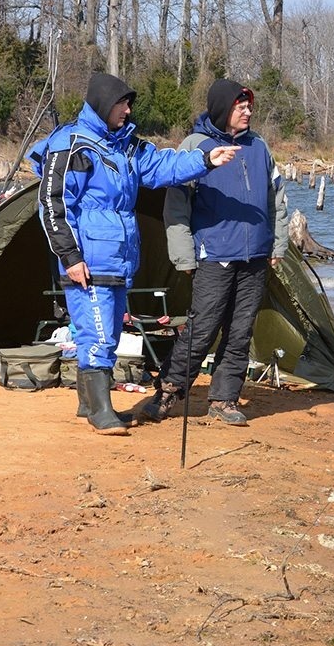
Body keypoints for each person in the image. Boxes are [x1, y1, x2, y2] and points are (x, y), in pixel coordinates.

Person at [34, 72, 240, 436]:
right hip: (88, 260)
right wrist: (70, 257)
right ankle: (102, 413)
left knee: (103, 333)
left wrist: (206, 159)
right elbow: (53, 205)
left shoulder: (126, 147)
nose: (128, 110)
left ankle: (88, 405)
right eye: (122, 104)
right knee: (99, 335)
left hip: (118, 258)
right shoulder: (73, 145)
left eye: (129, 104)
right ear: (103, 104)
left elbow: (163, 167)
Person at [138, 78, 289, 427]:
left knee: (240, 331)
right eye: (241, 107)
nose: (248, 112)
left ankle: (224, 399)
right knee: (201, 329)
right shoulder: (195, 146)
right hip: (213, 254)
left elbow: (277, 201)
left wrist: (277, 243)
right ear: (224, 109)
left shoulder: (260, 147)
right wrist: (184, 256)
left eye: (250, 106)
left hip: (255, 257)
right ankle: (168, 393)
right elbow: (176, 208)